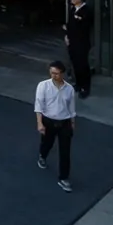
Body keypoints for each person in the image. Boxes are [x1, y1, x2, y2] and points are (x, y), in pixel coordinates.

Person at [34, 60, 76, 193]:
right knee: (47, 143)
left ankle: (64, 178)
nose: (54, 76)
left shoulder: (69, 89)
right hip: (48, 121)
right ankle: (42, 155)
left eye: (57, 73)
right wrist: (40, 123)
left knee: (65, 151)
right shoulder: (43, 86)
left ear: (62, 74)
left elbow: (71, 108)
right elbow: (39, 105)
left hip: (64, 122)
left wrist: (73, 123)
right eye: (52, 73)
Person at [65, 0, 93, 99]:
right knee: (75, 64)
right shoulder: (72, 9)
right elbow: (70, 24)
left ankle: (85, 87)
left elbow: (84, 27)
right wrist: (67, 35)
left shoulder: (86, 11)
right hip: (72, 41)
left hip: (81, 42)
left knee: (82, 65)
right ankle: (78, 83)